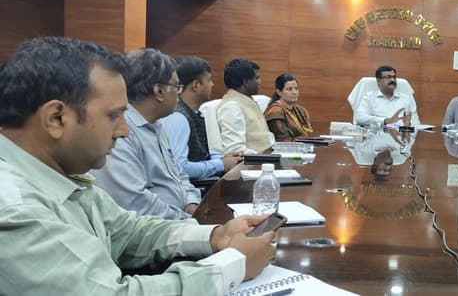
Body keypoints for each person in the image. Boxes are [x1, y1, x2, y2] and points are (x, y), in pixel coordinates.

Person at [0, 37, 276, 295]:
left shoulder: (60, 173)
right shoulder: (15, 209)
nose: (124, 131)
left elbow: (128, 232)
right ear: (56, 118)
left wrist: (215, 236)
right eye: (113, 116)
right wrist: (231, 266)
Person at [90, 48, 202, 219]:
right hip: (157, 228)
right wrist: (187, 221)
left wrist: (191, 203)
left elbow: (179, 174)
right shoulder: (120, 132)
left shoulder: (156, 124)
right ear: (159, 91)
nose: (179, 94)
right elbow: (135, 203)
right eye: (177, 87)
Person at [160, 56, 243, 179]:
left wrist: (223, 159)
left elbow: (200, 154)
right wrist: (220, 164)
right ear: (196, 85)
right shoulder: (178, 118)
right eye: (209, 80)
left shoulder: (194, 112)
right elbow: (180, 168)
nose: (212, 84)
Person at [217, 59, 274, 154]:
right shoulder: (231, 106)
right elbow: (235, 150)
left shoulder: (248, 100)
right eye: (257, 78)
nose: (260, 82)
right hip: (254, 161)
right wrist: (263, 157)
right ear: (246, 81)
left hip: (268, 157)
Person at [355, 65, 421, 128]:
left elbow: (416, 122)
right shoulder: (369, 97)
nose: (392, 80)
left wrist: (408, 124)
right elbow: (360, 118)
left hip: (401, 134)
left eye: (394, 77)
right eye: (388, 77)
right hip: (377, 134)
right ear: (378, 81)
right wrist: (385, 121)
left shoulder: (406, 98)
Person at [264, 73, 314, 141]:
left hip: (301, 145)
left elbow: (307, 133)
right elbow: (283, 139)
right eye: (289, 89)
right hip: (285, 147)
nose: (294, 92)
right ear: (279, 92)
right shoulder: (275, 111)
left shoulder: (300, 110)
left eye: (296, 89)